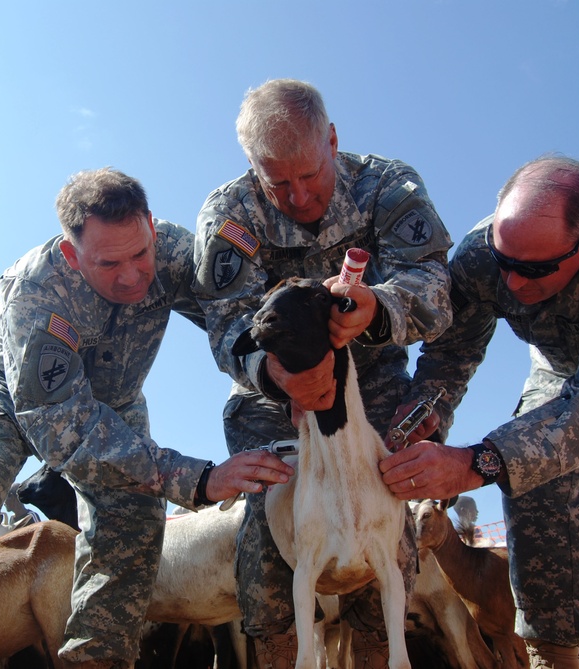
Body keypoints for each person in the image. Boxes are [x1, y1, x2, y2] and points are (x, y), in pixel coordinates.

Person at [0, 168, 295, 669]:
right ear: (72, 254)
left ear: (152, 227)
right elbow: (62, 426)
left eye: (140, 253)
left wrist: (279, 371)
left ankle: (96, 660)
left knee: (134, 518)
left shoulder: (176, 251)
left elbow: (234, 315)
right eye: (109, 263)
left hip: (115, 397)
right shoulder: (38, 292)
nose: (133, 275)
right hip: (11, 391)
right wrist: (197, 478)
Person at [379, 156, 579, 669]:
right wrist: (428, 410)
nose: (517, 285)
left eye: (537, 269)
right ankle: (552, 653)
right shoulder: (484, 255)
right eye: (508, 265)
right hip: (560, 362)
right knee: (535, 479)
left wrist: (476, 462)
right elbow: (452, 350)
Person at [192, 79, 453, 668]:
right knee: (269, 521)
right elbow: (226, 324)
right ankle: (279, 653)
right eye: (278, 182)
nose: (299, 195)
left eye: (310, 174)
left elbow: (436, 289)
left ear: (332, 140)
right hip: (269, 389)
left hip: (373, 376)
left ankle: (375, 648)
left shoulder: (389, 187)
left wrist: (379, 307)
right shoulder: (230, 214)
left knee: (390, 528)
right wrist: (275, 375)